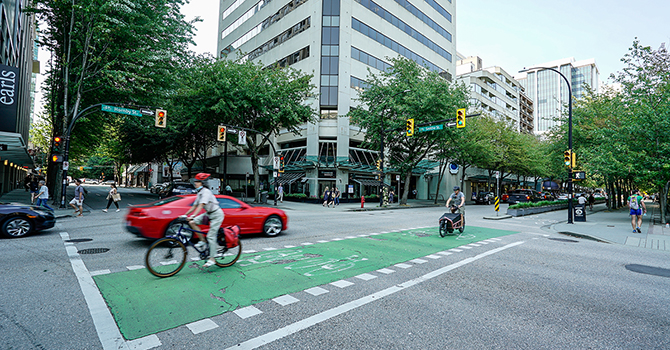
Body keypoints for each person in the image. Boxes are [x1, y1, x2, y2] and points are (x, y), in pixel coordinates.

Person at [182, 173, 224, 268]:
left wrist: (193, 215)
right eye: (195, 181)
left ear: (202, 183)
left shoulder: (206, 192)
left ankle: (212, 259)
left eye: (197, 181)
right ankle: (202, 241)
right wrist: (185, 215)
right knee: (192, 222)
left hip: (216, 214)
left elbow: (201, 205)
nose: (195, 183)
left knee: (211, 236)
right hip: (208, 214)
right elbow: (195, 205)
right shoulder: (200, 192)